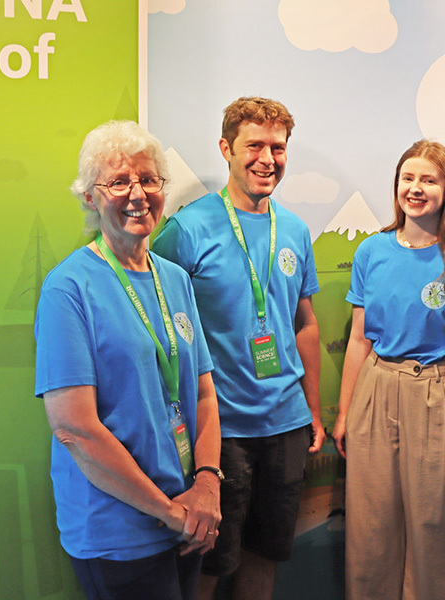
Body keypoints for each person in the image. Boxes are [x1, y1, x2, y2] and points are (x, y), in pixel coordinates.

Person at [35, 120, 221, 600]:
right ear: (90, 198)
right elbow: (73, 428)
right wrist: (169, 511)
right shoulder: (68, 288)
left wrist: (206, 486)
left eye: (148, 179)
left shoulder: (175, 279)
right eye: (119, 181)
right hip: (118, 532)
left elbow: (202, 393)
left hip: (187, 518)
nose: (137, 193)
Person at [152, 97, 324, 600]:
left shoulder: (293, 229)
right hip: (218, 431)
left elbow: (305, 325)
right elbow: (159, 331)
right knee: (208, 563)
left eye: (278, 147)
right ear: (227, 149)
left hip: (286, 426)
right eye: (254, 146)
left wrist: (313, 410)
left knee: (264, 556)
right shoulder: (186, 231)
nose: (267, 159)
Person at [332, 140, 445, 599]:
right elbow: (360, 339)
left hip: (438, 392)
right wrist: (345, 413)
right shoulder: (371, 252)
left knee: (433, 524)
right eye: (408, 178)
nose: (415, 189)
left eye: (428, 180)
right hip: (376, 388)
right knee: (370, 524)